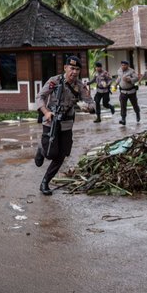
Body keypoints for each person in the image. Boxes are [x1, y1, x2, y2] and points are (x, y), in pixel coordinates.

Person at [34, 56, 95, 195]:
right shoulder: (54, 81)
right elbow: (40, 97)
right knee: (50, 153)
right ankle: (41, 149)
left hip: (67, 123)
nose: (74, 72)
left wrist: (89, 107)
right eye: (72, 68)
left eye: (77, 69)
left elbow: (90, 101)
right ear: (65, 68)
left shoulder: (80, 86)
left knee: (61, 155)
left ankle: (45, 182)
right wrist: (46, 112)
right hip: (51, 121)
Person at [114, 60, 140, 125]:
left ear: (127, 65)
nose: (123, 66)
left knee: (134, 104)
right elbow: (119, 78)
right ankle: (123, 119)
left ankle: (137, 113)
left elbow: (137, 78)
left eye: (124, 65)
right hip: (123, 91)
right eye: (122, 65)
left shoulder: (131, 71)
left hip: (131, 92)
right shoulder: (119, 71)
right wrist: (115, 84)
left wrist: (130, 79)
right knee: (123, 106)